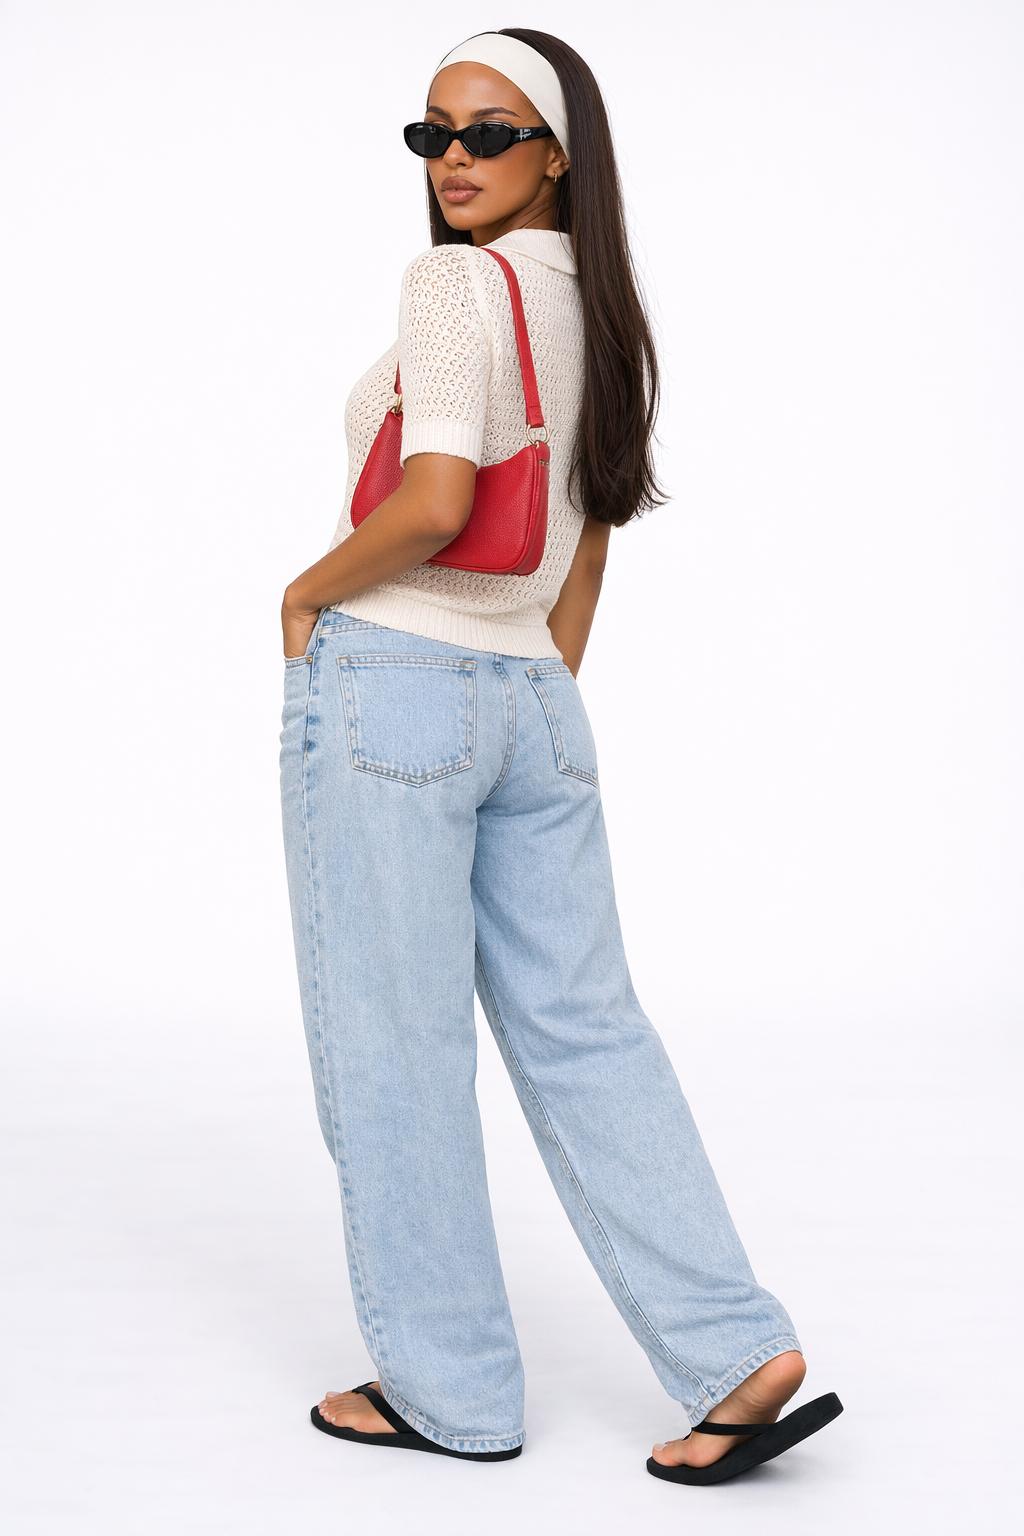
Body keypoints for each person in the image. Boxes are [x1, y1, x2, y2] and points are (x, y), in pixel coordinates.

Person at [280, 29, 840, 1484]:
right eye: (433, 135)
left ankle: (448, 1391)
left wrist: (304, 597)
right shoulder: (600, 306)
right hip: (534, 697)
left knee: (395, 1045)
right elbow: (588, 534)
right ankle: (735, 1350)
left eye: (490, 133)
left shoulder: (454, 285)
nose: (454, 160)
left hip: (394, 681)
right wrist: (527, 681)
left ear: (556, 152)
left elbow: (437, 498)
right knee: (588, 1030)